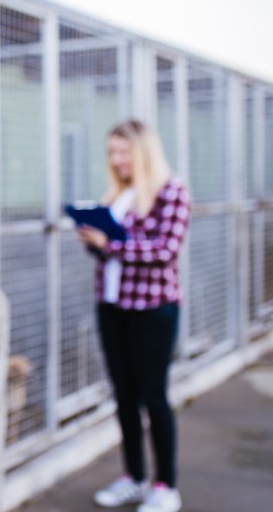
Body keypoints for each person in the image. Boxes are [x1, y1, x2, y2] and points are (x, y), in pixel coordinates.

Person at [76, 119, 190, 512]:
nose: (116, 159)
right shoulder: (117, 194)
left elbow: (165, 251)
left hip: (153, 309)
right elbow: (109, 253)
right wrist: (93, 239)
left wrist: (110, 243)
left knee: (153, 397)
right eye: (112, 152)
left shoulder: (171, 191)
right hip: (112, 307)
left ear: (142, 152)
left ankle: (166, 486)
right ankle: (134, 478)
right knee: (124, 397)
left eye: (123, 151)